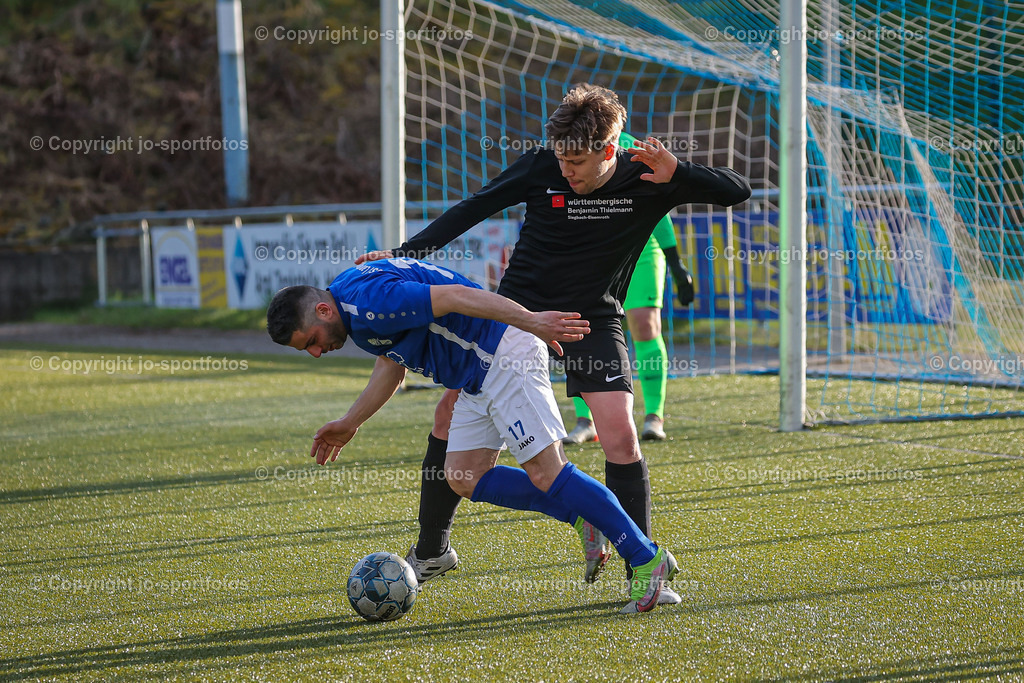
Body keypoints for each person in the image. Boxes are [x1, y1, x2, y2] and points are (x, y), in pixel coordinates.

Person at [359, 84, 750, 600]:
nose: (568, 171)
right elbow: (474, 207)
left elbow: (737, 189)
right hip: (518, 315)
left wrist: (682, 174)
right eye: (563, 160)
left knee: (620, 435)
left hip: (594, 319)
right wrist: (403, 253)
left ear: (611, 150)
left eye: (580, 162)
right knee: (446, 418)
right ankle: (432, 549)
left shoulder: (649, 176)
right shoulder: (542, 165)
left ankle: (641, 563)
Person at [265, 257, 678, 613]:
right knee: (463, 475)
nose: (317, 352)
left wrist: (530, 321)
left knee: (548, 471)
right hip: (476, 373)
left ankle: (646, 559)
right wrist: (351, 421)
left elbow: (454, 297)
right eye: (308, 351)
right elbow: (392, 363)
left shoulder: (370, 304)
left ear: (322, 310)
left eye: (312, 342)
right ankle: (582, 516)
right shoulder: (352, 301)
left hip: (504, 355)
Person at [562, 130, 694, 445]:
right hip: (591, 253)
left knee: (646, 327)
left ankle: (654, 417)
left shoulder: (631, 150)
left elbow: (656, 209)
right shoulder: (565, 152)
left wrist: (676, 265)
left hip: (642, 249)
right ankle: (586, 420)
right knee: (580, 330)